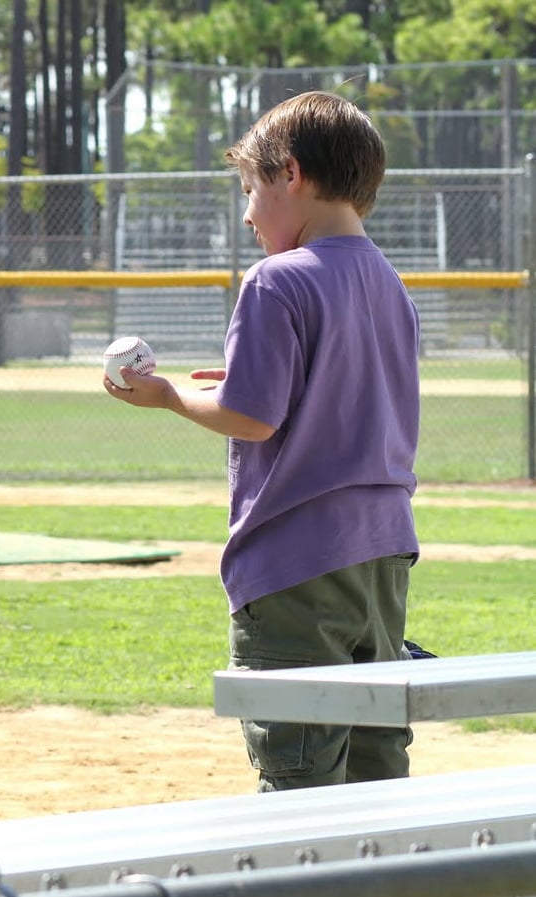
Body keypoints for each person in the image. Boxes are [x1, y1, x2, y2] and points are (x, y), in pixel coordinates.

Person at [104, 90, 420, 792]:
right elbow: (341, 394)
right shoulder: (389, 282)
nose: (247, 213)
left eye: (250, 188)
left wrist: (169, 397)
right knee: (376, 778)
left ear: (291, 175)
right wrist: (256, 378)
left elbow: (252, 418)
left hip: (298, 562)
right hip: (384, 554)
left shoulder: (275, 279)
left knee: (299, 786)